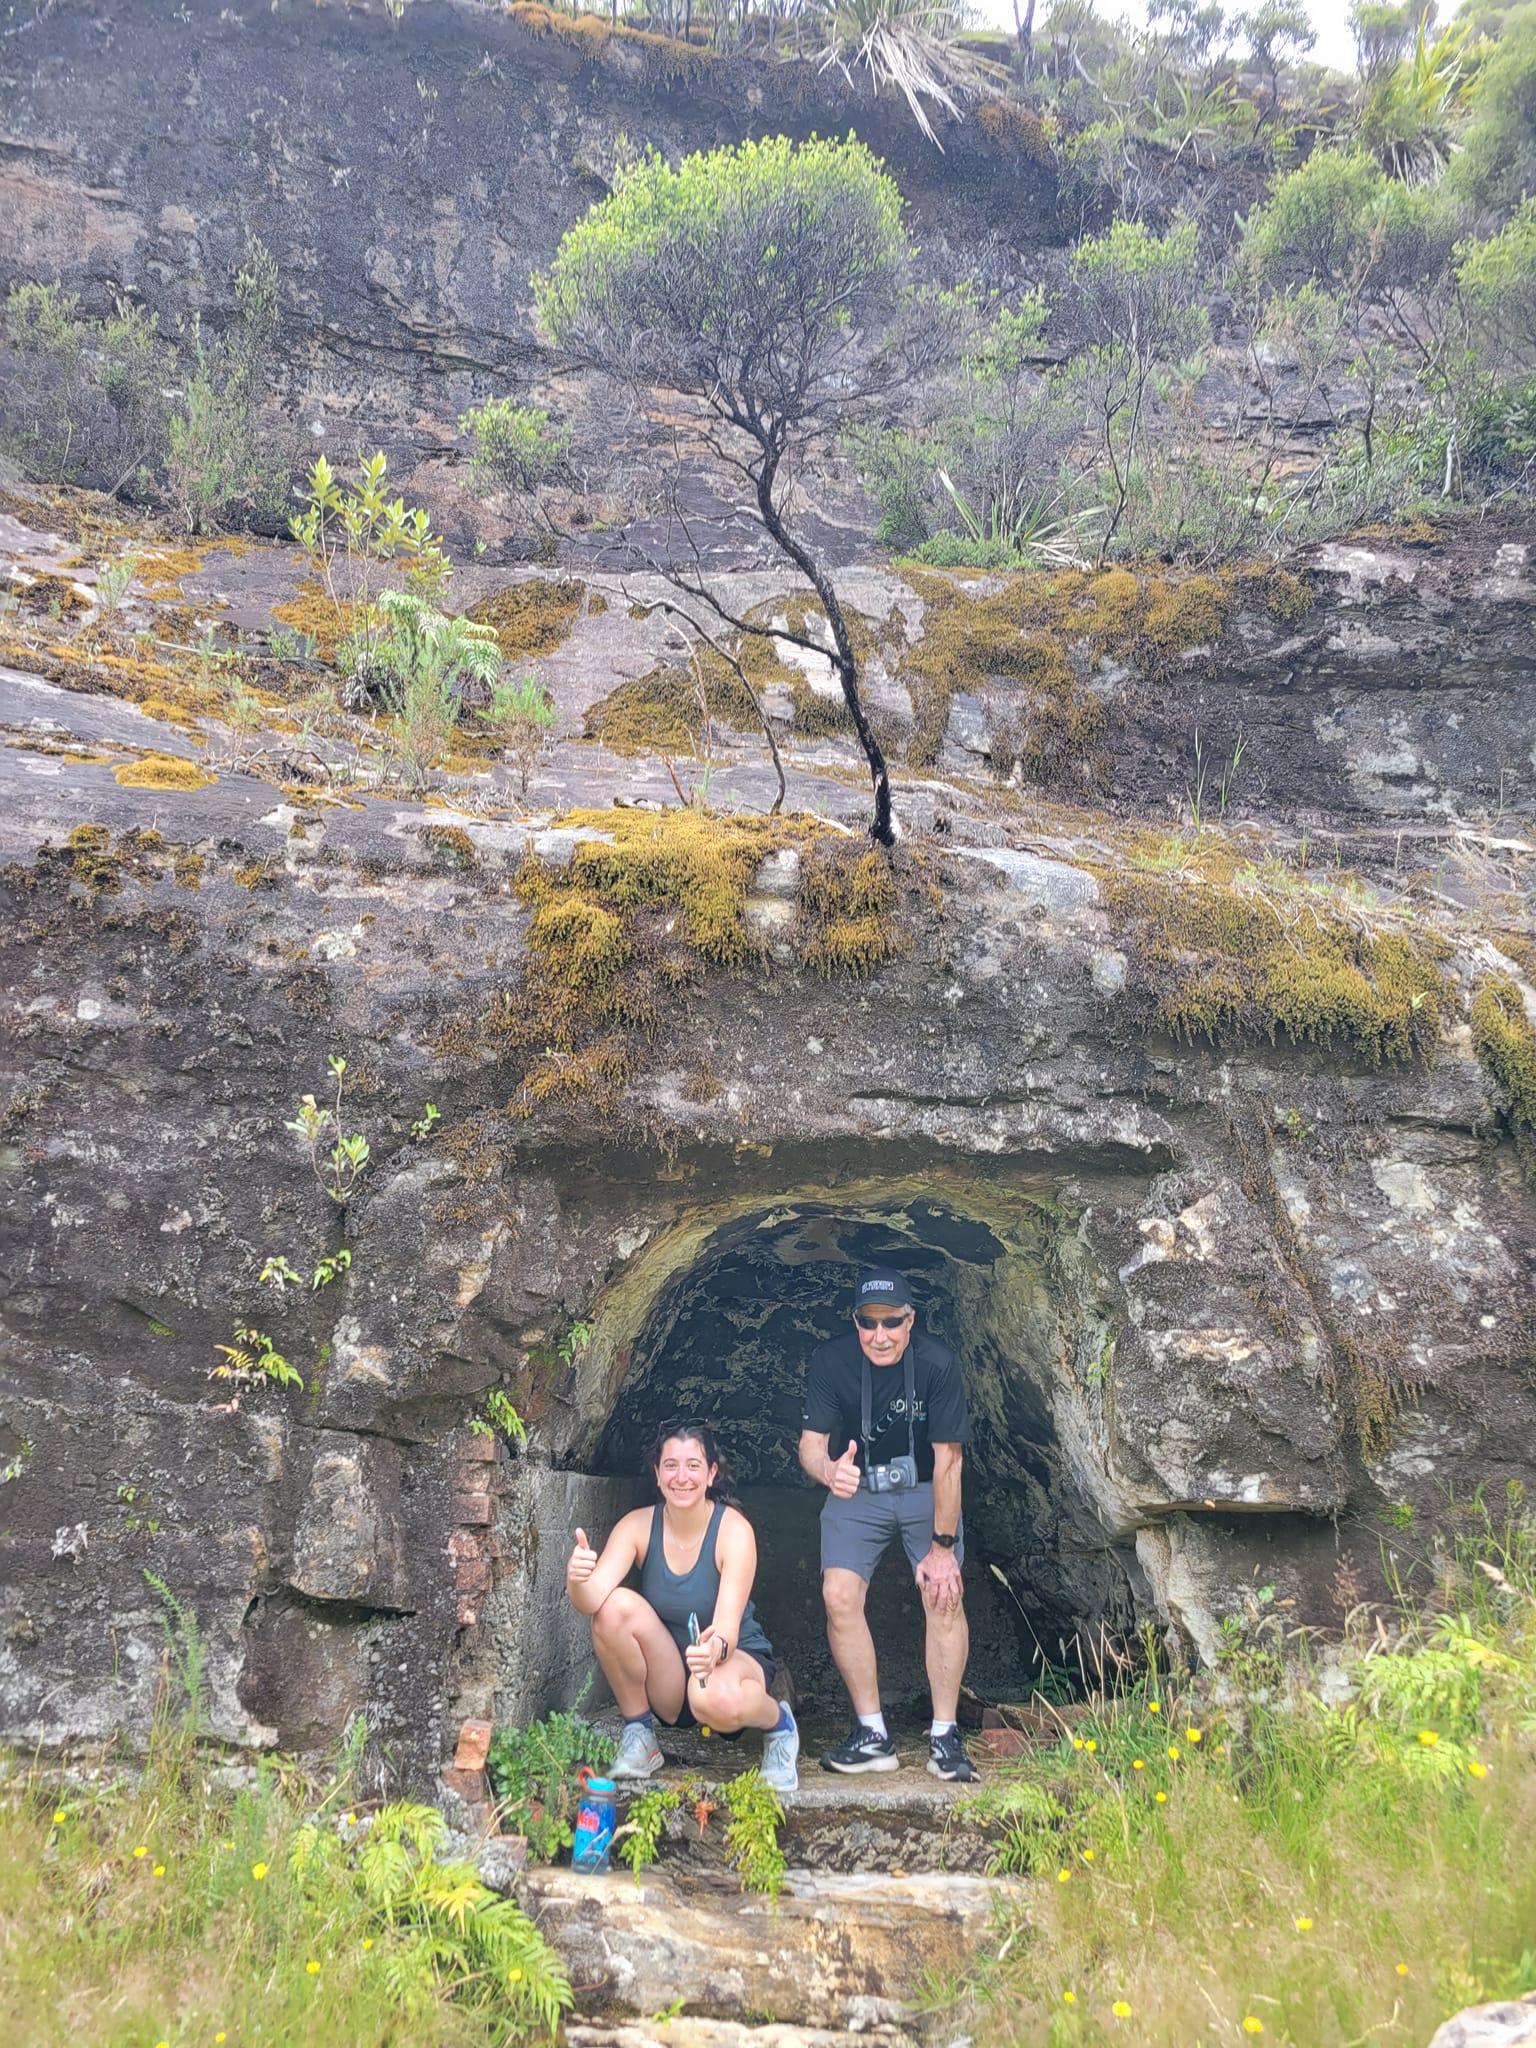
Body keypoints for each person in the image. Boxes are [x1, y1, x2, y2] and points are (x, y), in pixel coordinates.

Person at [797, 1267, 976, 1781]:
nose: (880, 1336)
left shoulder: (939, 1363)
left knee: (943, 1592)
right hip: (860, 1487)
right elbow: (810, 1446)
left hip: (926, 1485)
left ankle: (945, 1736)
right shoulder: (832, 1361)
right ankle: (873, 1733)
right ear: (856, 1322)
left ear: (910, 1320)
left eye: (892, 1323)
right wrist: (829, 1470)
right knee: (838, 1595)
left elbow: (950, 1461)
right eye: (868, 1323)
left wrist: (942, 1548)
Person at [565, 1419, 800, 1792]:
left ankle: (779, 1725)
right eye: (671, 1465)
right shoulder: (638, 1526)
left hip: (731, 1659)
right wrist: (577, 1580)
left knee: (711, 1698)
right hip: (672, 1674)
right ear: (657, 1474)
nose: (681, 1477)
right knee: (612, 1609)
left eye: (693, 1465)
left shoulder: (733, 1531)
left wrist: (713, 1649)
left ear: (711, 1473)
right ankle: (639, 1733)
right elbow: (592, 1598)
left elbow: (727, 1627)